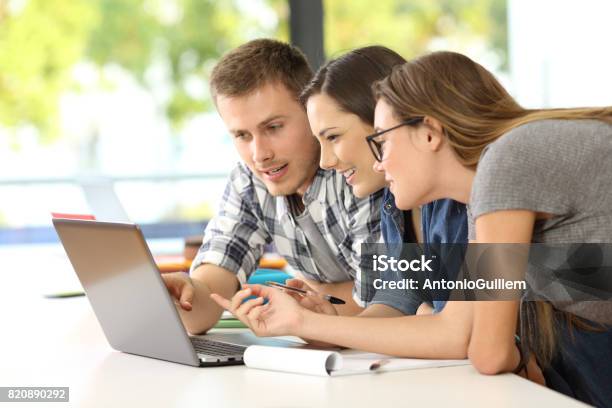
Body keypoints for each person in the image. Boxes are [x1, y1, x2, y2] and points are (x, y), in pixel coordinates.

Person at [369, 51, 612, 406]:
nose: (378, 164)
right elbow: (456, 329)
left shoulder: (506, 161)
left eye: (382, 141)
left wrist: (505, 345)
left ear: (429, 132)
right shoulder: (485, 198)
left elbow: (488, 353)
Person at [211, 47, 473, 358]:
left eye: (333, 136)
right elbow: (395, 304)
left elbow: (472, 341)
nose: (325, 161)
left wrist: (313, 323)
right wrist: (316, 324)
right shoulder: (397, 207)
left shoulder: (486, 195)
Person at [162, 38, 383, 335]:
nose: (259, 154)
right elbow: (207, 299)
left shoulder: (358, 170)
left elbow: (383, 297)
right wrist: (185, 294)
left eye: (274, 127)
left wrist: (307, 303)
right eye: (242, 135)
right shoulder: (250, 181)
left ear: (312, 110)